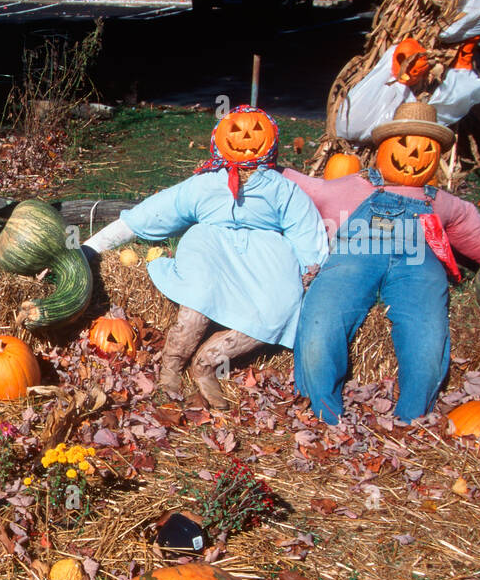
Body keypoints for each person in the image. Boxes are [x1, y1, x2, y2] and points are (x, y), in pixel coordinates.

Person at [84, 106, 329, 408]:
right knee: (198, 296)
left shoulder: (282, 190)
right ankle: (171, 366)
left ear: (271, 139)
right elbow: (155, 212)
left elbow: (305, 227)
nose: (246, 137)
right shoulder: (206, 183)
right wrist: (93, 246)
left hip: (265, 255)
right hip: (211, 244)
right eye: (236, 130)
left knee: (280, 305)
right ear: (220, 137)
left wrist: (310, 267)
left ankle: (206, 363)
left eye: (255, 130)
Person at [284, 102, 480, 424]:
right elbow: (305, 188)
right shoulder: (350, 187)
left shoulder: (441, 202)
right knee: (322, 320)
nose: (413, 156)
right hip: (351, 261)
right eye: (403, 145)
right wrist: (263, 170)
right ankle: (323, 413)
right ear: (383, 148)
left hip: (416, 267)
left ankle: (410, 419)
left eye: (425, 149)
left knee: (426, 332)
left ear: (438, 156)